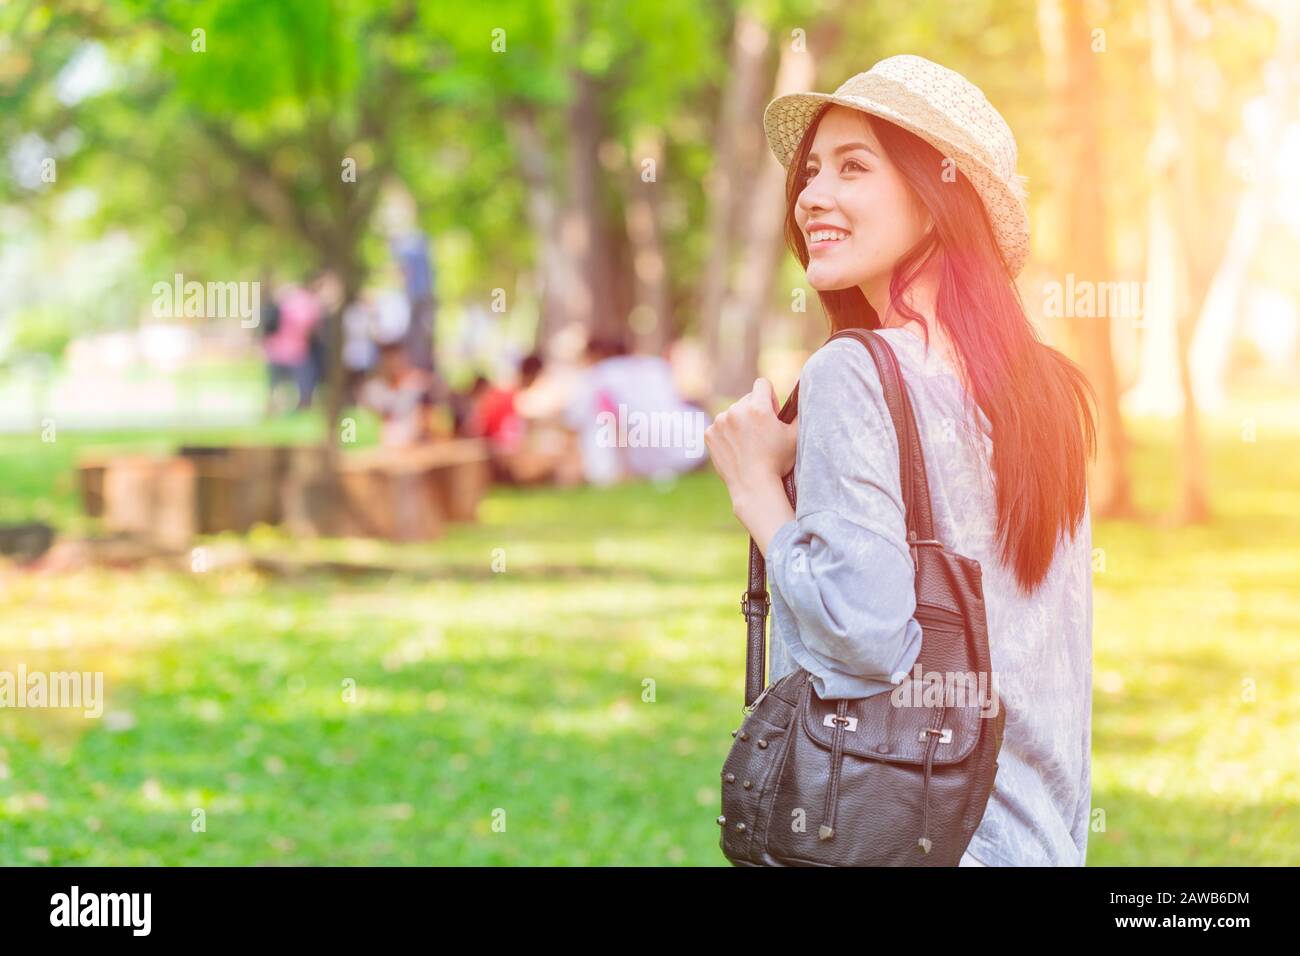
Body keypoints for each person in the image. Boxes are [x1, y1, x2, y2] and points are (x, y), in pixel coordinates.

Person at [705, 55, 1096, 867]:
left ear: (934, 195)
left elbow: (865, 639)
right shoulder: (1048, 395)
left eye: (855, 167)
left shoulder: (852, 371)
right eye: (812, 171)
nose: (813, 195)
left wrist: (756, 491)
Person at [358, 338, 451, 447]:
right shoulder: (374, 388)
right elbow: (373, 418)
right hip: (384, 447)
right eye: (390, 359)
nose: (394, 364)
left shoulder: (417, 382)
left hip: (416, 446)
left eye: (398, 358)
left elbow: (443, 394)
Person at [263, 279, 323, 413]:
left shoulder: (286, 299)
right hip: (296, 350)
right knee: (304, 380)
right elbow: (308, 327)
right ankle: (304, 405)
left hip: (275, 348)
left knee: (275, 383)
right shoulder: (307, 302)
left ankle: (273, 407)